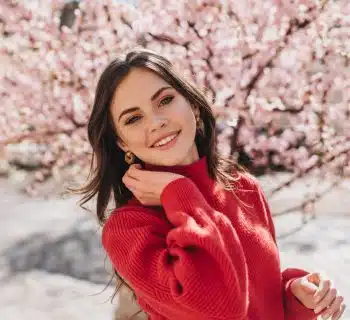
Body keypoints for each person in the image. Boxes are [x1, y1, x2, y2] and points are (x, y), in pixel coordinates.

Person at [78, 49, 346, 319]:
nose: (157, 122)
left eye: (165, 100)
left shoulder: (243, 188)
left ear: (192, 104)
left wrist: (295, 295)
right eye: (134, 119)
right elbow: (221, 309)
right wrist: (180, 194)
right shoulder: (130, 229)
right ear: (122, 142)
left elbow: (260, 303)